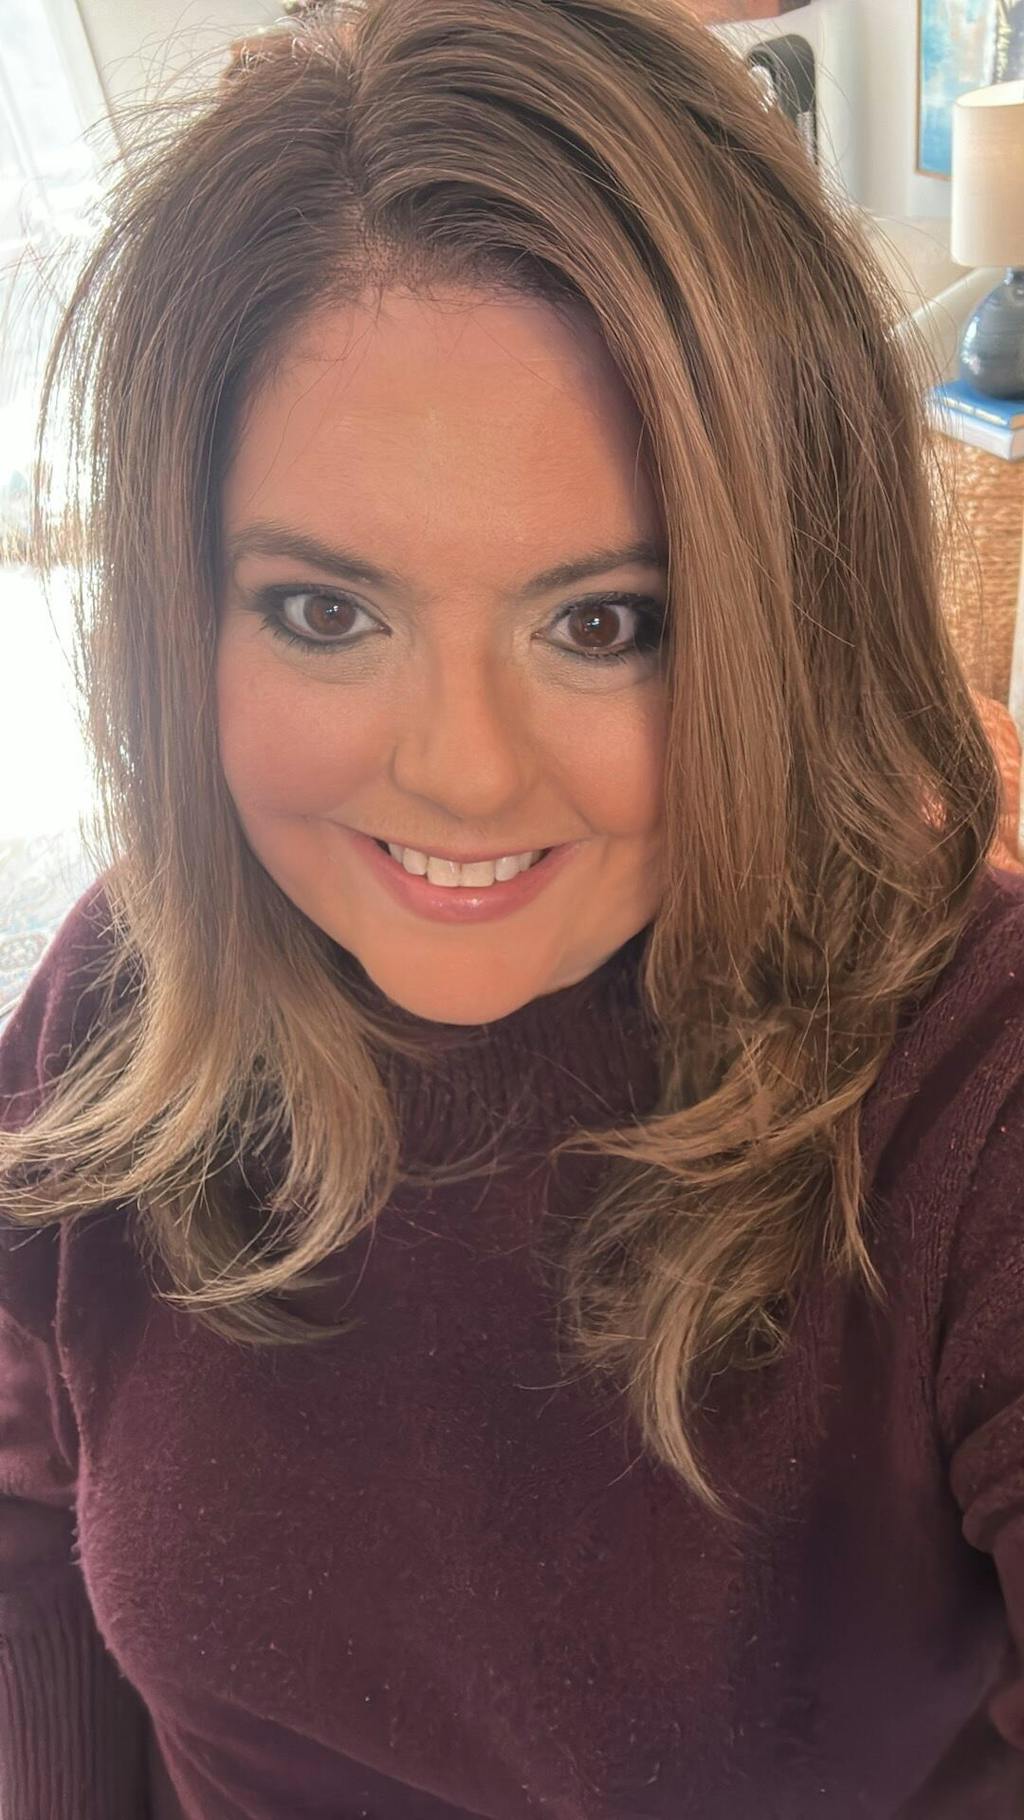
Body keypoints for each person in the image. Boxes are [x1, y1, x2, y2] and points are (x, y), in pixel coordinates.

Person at [1, 0, 1022, 1813]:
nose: (463, 774)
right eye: (328, 613)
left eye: (607, 622)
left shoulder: (975, 1098)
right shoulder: (125, 992)